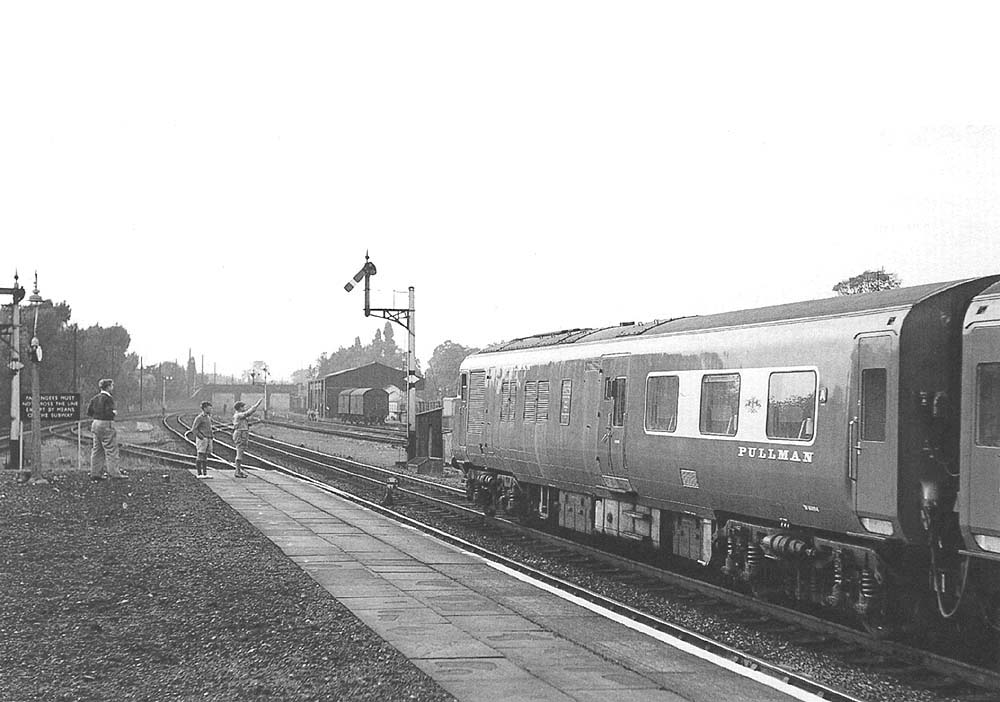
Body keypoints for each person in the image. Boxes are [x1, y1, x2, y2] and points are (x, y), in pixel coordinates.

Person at [87, 379, 127, 481]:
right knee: (111, 449)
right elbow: (109, 412)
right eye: (112, 386)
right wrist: (113, 413)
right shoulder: (108, 399)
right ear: (108, 387)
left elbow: (89, 411)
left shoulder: (95, 398)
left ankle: (95, 473)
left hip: (95, 423)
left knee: (97, 449)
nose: (113, 388)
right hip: (106, 423)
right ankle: (114, 473)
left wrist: (97, 415)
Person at [231, 398, 262, 478]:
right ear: (239, 408)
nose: (244, 408)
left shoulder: (238, 415)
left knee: (240, 452)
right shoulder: (238, 415)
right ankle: (237, 472)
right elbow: (247, 413)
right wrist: (256, 405)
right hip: (240, 435)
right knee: (239, 452)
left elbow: (243, 422)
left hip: (242, 434)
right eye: (243, 407)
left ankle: (238, 471)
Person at [185, 401, 214, 478]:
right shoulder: (199, 418)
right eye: (209, 408)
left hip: (208, 438)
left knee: (205, 456)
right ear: (204, 408)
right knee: (200, 454)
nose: (211, 410)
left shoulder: (208, 417)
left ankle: (205, 473)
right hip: (203, 439)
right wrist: (201, 436)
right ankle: (199, 473)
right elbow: (194, 429)